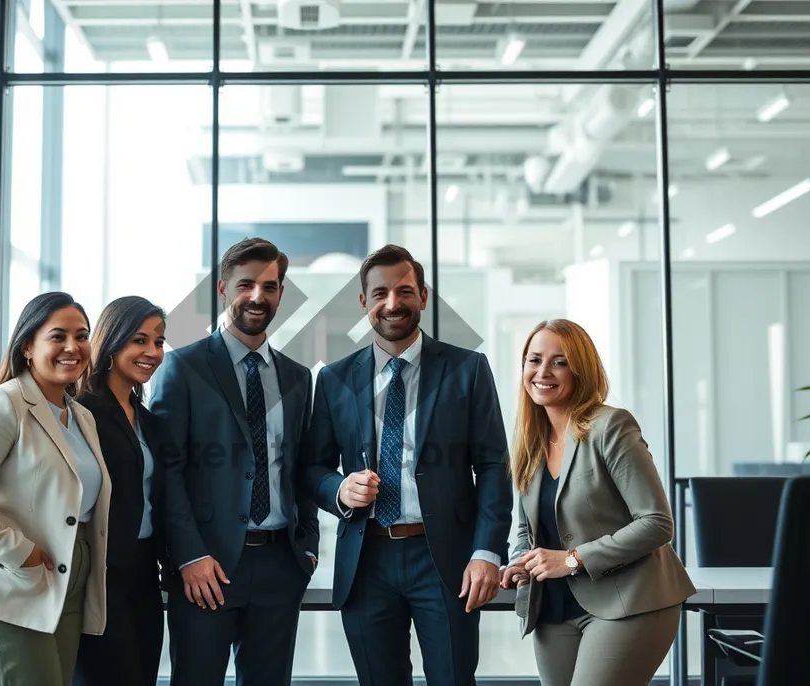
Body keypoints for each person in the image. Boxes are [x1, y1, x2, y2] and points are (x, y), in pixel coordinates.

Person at [300, 243, 513, 686]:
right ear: (364, 302)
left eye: (404, 291)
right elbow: (312, 468)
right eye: (380, 294)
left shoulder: (467, 369)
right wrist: (339, 490)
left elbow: (493, 465)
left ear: (423, 296)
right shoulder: (334, 378)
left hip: (445, 559)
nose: (392, 303)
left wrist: (487, 551)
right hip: (366, 558)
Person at [148, 237, 320, 686]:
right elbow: (167, 472)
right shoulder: (182, 367)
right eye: (246, 284)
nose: (258, 296)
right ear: (223, 289)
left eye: (270, 285)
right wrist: (188, 555)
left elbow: (302, 467)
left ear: (281, 292)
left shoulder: (298, 378)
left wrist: (308, 544)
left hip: (280, 562)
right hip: (206, 567)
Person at [499, 318, 695, 686]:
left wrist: (572, 559)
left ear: (581, 370)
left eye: (559, 361)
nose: (543, 372)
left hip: (629, 601)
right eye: (534, 359)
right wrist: (521, 562)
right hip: (554, 606)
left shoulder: (611, 427)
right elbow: (527, 527)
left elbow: (657, 522)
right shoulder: (530, 438)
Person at [0, 292, 112, 686]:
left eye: (82, 335)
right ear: (28, 347)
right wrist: (23, 553)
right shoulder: (2, 404)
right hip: (10, 584)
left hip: (67, 579)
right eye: (58, 336)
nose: (73, 346)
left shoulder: (81, 415)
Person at [71, 296, 172, 686]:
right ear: (111, 343)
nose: (152, 352)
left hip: (145, 572)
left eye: (159, 342)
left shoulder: (148, 420)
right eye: (139, 340)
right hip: (99, 572)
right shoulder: (81, 410)